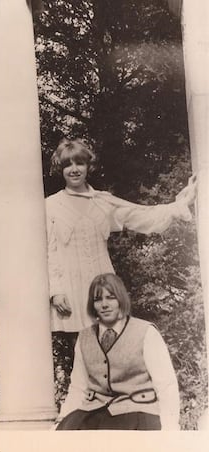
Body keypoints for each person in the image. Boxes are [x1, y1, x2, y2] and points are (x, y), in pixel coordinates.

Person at [46, 139, 196, 351]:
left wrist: (180, 204)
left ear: (88, 166)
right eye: (67, 165)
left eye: (79, 163)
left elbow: (142, 216)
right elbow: (48, 252)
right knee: (82, 356)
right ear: (60, 169)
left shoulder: (102, 201)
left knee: (113, 351)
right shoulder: (51, 206)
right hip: (72, 289)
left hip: (103, 286)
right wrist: (56, 291)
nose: (74, 170)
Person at [55, 273, 180, 430]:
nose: (104, 304)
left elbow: (166, 385)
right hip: (93, 413)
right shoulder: (84, 337)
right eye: (98, 299)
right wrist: (61, 419)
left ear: (121, 299)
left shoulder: (146, 332)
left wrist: (170, 427)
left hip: (137, 411)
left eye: (111, 297)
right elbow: (78, 387)